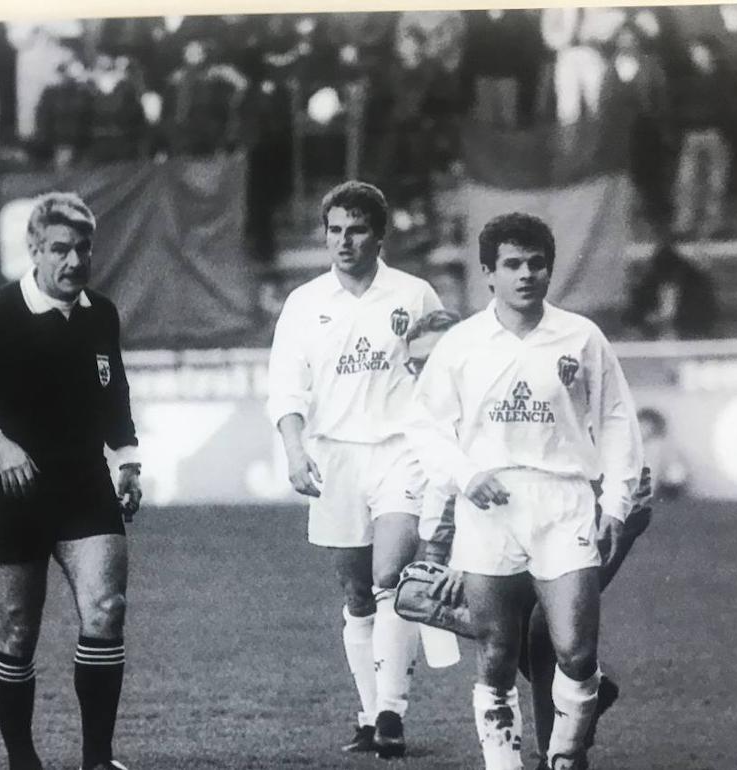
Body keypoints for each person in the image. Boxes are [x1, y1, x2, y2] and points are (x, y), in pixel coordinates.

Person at [407, 212, 644, 770]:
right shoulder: (463, 344)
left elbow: (615, 420)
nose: (526, 274)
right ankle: (504, 762)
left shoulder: (581, 337)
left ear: (550, 268)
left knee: (576, 651)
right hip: (490, 511)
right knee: (496, 653)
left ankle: (564, 753)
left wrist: (616, 503)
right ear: (488, 272)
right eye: (512, 264)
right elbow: (425, 426)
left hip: (563, 502)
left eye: (537, 263)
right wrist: (466, 474)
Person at [0, 192, 142, 770]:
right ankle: (23, 759)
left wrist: (129, 462)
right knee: (17, 631)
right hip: (11, 496)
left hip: (84, 486)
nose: (74, 261)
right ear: (34, 250)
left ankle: (97, 759)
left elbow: (113, 396)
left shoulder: (102, 314)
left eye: (83, 249)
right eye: (61, 249)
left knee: (106, 608)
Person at [266, 181, 444, 758]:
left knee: (391, 574)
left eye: (357, 229)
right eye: (335, 230)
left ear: (380, 235)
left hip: (401, 451)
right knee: (357, 592)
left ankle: (393, 710)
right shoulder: (305, 303)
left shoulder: (414, 296)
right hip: (335, 455)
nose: (344, 241)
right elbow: (286, 390)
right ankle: (369, 714)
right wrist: (296, 452)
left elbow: (446, 372)